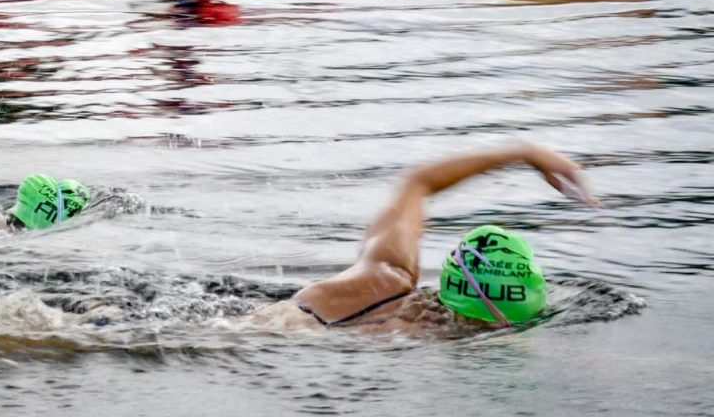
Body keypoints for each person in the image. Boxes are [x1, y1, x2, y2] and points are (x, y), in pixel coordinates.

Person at [250, 142, 599, 333]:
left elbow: (418, 183)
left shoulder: (385, 276)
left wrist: (523, 152)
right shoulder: (428, 338)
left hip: (262, 323)